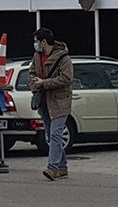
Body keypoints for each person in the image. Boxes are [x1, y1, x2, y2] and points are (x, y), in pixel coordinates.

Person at [29, 28, 73, 181]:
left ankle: (52, 168)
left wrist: (44, 83)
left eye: (36, 41)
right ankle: (63, 167)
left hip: (60, 102)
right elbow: (32, 73)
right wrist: (34, 84)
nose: (35, 45)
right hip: (44, 102)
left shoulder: (63, 58)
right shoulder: (37, 56)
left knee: (55, 135)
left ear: (43, 42)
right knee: (50, 136)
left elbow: (66, 79)